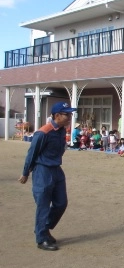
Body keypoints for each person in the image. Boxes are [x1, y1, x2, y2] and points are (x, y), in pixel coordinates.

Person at [18, 101, 77, 251]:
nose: (70, 117)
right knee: (43, 205)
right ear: (57, 115)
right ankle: (41, 238)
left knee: (61, 203)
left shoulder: (62, 130)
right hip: (43, 170)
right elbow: (32, 153)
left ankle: (43, 227)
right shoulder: (43, 132)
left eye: (70, 114)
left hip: (56, 169)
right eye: (67, 114)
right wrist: (26, 173)